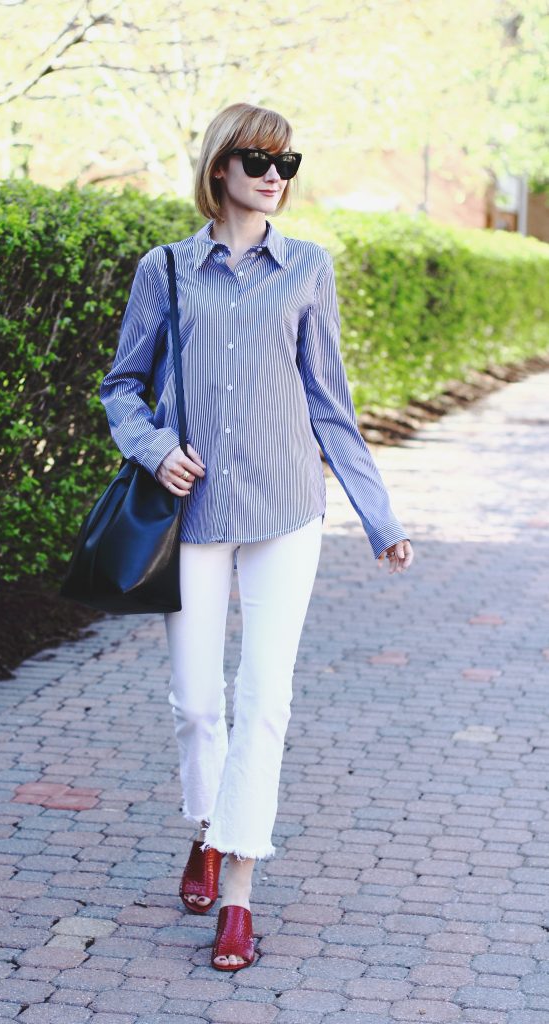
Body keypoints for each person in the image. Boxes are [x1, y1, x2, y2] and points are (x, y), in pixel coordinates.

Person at [99, 101, 414, 971]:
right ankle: (205, 827)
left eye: (286, 163)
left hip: (285, 510)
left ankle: (237, 890)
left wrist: (377, 517)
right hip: (193, 511)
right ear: (218, 168)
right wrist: (156, 449)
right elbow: (122, 385)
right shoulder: (164, 269)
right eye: (256, 159)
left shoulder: (306, 268)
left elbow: (328, 402)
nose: (274, 175)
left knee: (263, 700)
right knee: (198, 704)